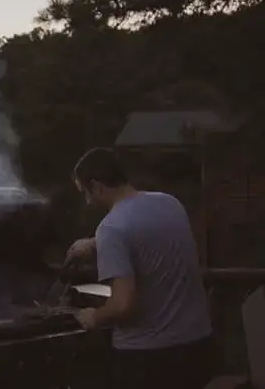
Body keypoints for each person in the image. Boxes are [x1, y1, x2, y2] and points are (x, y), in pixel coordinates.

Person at [66, 147, 212, 389]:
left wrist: (94, 316)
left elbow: (123, 305)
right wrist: (95, 243)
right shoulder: (170, 203)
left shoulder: (111, 228)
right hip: (196, 346)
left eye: (85, 193)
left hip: (149, 359)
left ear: (97, 185)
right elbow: (148, 236)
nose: (88, 201)